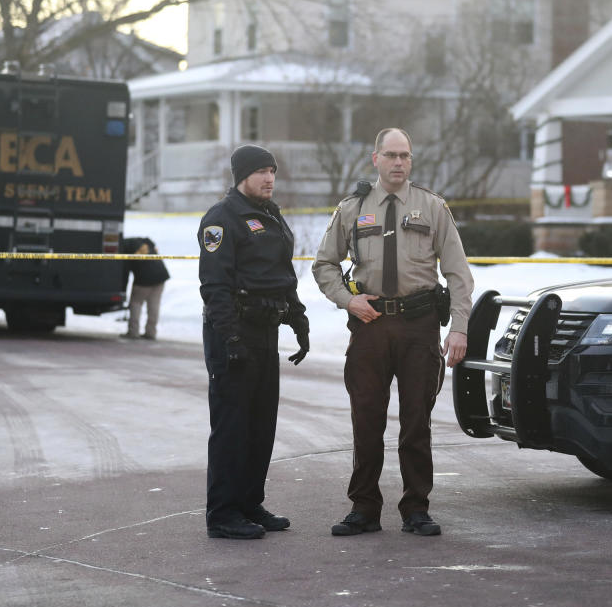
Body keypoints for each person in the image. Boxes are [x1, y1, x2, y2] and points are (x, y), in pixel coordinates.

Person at [312, 128, 474, 537]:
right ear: (375, 159)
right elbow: (325, 265)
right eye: (391, 155)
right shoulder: (352, 209)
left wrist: (460, 328)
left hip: (419, 326)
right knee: (366, 420)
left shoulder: (432, 207)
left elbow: (458, 274)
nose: (399, 162)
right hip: (371, 325)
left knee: (416, 421)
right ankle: (364, 508)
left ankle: (416, 508)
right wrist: (347, 300)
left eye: (405, 155)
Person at [197, 144, 310, 540]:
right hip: (234, 333)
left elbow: (282, 275)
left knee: (262, 423)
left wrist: (298, 318)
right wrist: (229, 338)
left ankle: (248, 503)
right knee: (232, 425)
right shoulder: (221, 219)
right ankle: (223, 513)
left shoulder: (270, 215)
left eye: (272, 171)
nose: (269, 178)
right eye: (261, 171)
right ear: (241, 176)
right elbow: (214, 286)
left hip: (265, 331)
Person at [121, 236, 170, 340]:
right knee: (154, 305)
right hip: (161, 275)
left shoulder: (124, 248)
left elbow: (125, 272)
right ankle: (151, 332)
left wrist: (123, 288)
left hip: (144, 279)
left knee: (136, 303)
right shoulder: (144, 241)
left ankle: (133, 332)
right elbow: (150, 240)